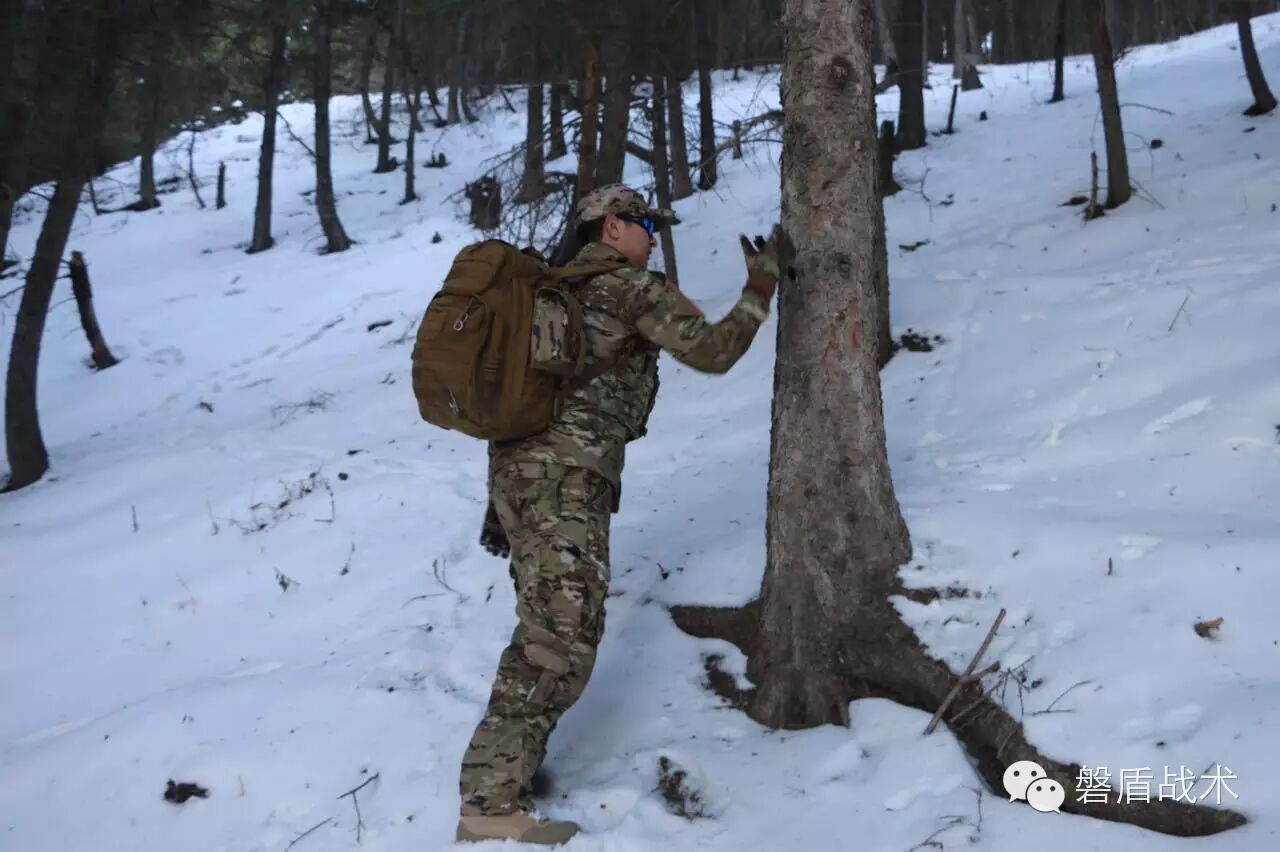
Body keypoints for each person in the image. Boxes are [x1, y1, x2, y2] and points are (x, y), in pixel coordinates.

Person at [456, 184, 780, 845]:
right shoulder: (626, 289)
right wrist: (761, 287)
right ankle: (489, 802)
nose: (653, 238)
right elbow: (714, 352)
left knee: (554, 629)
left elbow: (519, 404)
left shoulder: (549, 295)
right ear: (611, 228)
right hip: (567, 482)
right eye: (644, 226)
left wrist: (500, 508)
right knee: (558, 639)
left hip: (520, 481)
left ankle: (509, 776)